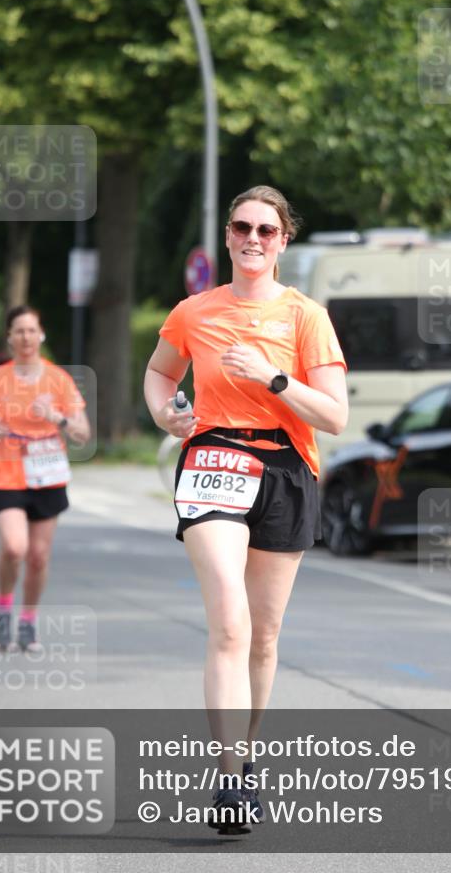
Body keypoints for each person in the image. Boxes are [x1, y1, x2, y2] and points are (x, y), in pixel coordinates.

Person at [144, 185, 348, 832]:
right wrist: (164, 411)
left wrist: (272, 376)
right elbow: (159, 371)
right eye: (242, 227)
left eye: (266, 229)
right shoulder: (194, 311)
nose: (253, 238)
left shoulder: (304, 316)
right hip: (213, 462)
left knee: (263, 636)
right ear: (228, 236)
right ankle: (229, 781)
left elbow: (335, 416)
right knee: (230, 625)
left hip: (286, 470)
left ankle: (246, 755)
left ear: (283, 240)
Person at [0, 306, 90, 652]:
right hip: (5, 471)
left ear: (41, 335)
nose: (25, 337)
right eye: (18, 331)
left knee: (38, 555)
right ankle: (4, 609)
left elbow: (83, 433)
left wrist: (57, 417)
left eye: (31, 330)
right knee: (14, 547)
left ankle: (28, 620)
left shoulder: (59, 380)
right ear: (9, 337)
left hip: (47, 473)